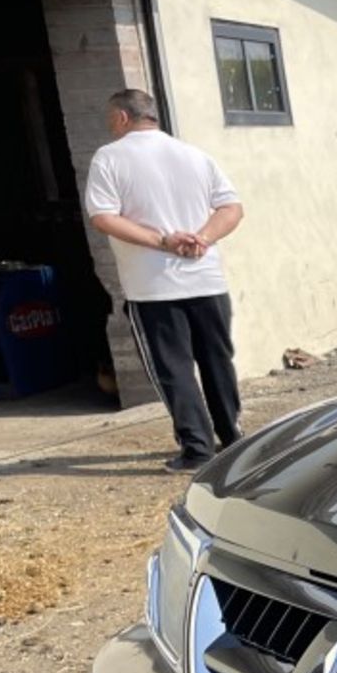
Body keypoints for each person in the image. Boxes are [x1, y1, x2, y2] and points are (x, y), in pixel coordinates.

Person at [84, 89, 246, 472]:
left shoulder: (109, 157)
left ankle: (197, 449)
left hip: (153, 286)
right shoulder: (194, 154)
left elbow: (103, 217)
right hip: (207, 280)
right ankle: (233, 438)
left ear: (122, 117)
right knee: (217, 361)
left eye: (111, 119)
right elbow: (232, 208)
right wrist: (202, 238)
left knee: (172, 369)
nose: (111, 126)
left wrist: (163, 241)